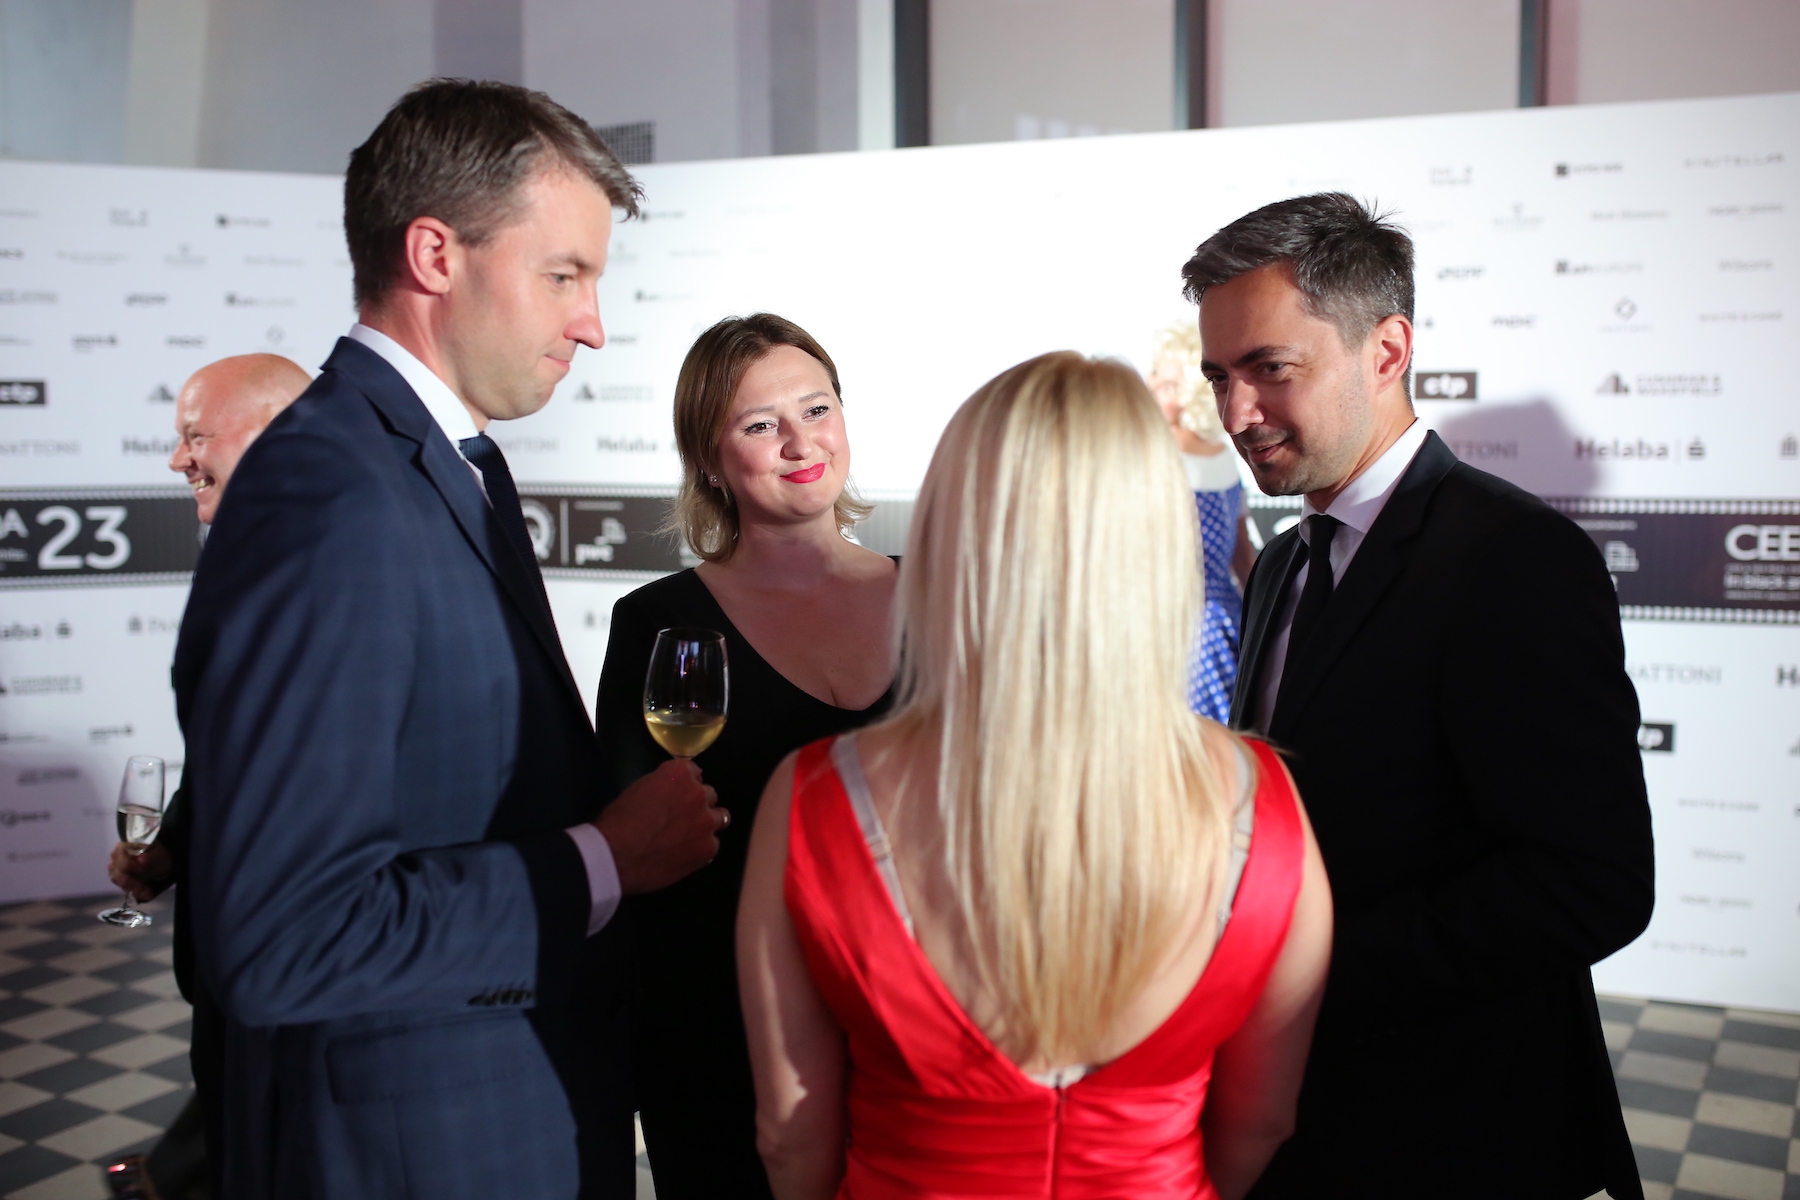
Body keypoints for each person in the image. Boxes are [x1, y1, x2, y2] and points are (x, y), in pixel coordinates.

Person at [172, 80, 725, 1200]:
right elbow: (284, 935)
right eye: (563, 274)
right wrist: (604, 860)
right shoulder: (330, 492)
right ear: (435, 255)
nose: (592, 322)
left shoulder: (437, 462)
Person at [738, 351, 1334, 1200]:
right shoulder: (1264, 801)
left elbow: (792, 1139)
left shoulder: (814, 799)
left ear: (948, 537)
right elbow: (1261, 1122)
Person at [1183, 193, 1653, 1199]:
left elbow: (1590, 882)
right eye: (1220, 375)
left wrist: (1300, 973)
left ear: (1387, 351)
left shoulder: (1514, 559)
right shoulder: (1281, 564)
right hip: (1297, 1122)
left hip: (1460, 1132)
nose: (1235, 414)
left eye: (1271, 368)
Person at [593, 313, 897, 1200]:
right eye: (762, 424)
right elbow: (638, 848)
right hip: (721, 1040)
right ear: (709, 460)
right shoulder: (658, 622)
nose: (802, 442)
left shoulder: (940, 594)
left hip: (909, 1029)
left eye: (818, 408)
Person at [103, 353, 310, 1200]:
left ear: (274, 431)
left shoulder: (336, 566)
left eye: (195, 435)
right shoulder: (244, 559)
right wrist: (171, 852)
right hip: (230, 968)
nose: (176, 459)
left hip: (300, 958)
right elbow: (233, 757)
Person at [1146, 323, 1257, 722]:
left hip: (1167, 624)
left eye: (1167, 386)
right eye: (1154, 377)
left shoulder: (1151, 456)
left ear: (1190, 394)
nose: (1151, 388)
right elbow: (1243, 560)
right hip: (1222, 622)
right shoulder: (1225, 457)